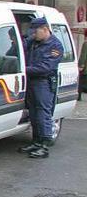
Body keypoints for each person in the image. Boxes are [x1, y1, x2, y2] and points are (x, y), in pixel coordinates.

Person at [18, 18, 64, 158]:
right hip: (32, 81)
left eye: (36, 31)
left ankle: (44, 145)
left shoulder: (55, 46)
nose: (34, 35)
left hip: (43, 82)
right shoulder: (34, 41)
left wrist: (23, 69)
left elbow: (45, 67)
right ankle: (36, 141)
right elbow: (20, 48)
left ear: (45, 29)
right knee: (33, 112)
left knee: (43, 113)